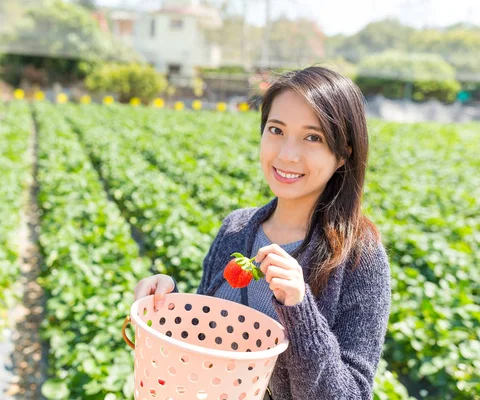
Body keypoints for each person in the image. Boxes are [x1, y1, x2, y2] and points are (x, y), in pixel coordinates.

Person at [134, 66, 392, 399]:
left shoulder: (360, 259)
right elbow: (206, 339)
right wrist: (169, 304)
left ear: (344, 154)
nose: (286, 154)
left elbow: (352, 395)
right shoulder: (236, 229)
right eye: (276, 129)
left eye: (312, 137)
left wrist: (300, 309)